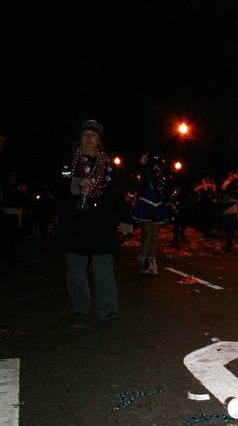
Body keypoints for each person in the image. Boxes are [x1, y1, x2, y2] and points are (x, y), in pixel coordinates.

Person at [55, 120, 131, 320]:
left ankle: (107, 308)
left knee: (103, 264)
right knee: (75, 265)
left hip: (101, 221)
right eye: (85, 134)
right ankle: (80, 305)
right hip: (76, 220)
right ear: (79, 138)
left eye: (93, 135)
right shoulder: (69, 161)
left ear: (99, 140)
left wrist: (125, 218)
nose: (88, 138)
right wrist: (76, 183)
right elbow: (57, 186)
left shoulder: (108, 165)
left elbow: (116, 193)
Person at [132, 152, 167, 274]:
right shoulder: (145, 170)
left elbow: (163, 188)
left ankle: (152, 260)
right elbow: (146, 184)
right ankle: (145, 262)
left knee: (154, 236)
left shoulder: (160, 172)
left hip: (157, 204)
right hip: (145, 203)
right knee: (147, 234)